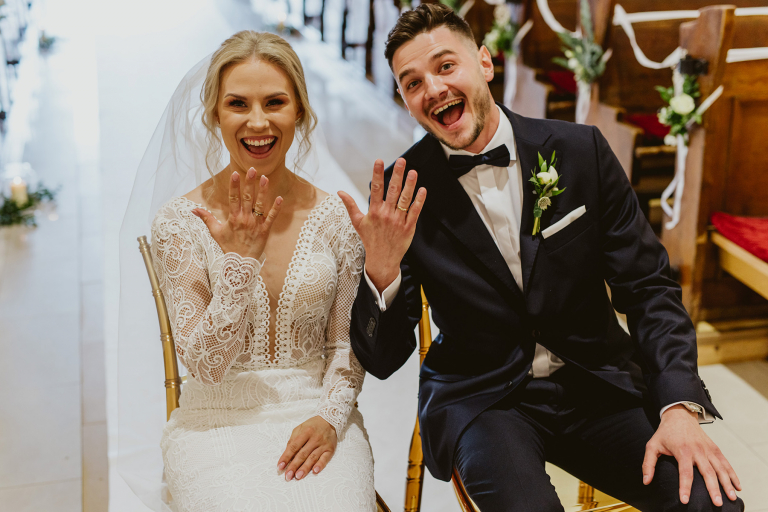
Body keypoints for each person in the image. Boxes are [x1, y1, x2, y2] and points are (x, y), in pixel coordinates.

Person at [338, 4, 743, 511]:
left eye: (446, 66)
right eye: (412, 82)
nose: (433, 89)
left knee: (712, 502)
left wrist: (678, 406)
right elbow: (382, 361)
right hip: (485, 400)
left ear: (485, 62)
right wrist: (380, 270)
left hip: (597, 382)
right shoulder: (404, 192)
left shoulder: (580, 151)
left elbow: (648, 288)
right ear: (404, 98)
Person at [134, 31, 374, 512]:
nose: (258, 122)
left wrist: (330, 417)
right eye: (238, 104)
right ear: (214, 114)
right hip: (214, 420)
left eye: (275, 102)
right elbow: (206, 367)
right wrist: (239, 265)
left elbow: (344, 346)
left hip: (316, 412)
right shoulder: (179, 223)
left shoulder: (336, 218)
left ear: (299, 110)